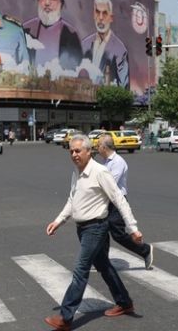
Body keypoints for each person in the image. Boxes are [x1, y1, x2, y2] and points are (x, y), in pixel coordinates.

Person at [44, 134, 142, 331]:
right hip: (82, 229)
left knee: (80, 269)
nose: (74, 154)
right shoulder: (76, 173)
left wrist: (132, 228)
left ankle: (66, 317)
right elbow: (73, 200)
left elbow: (119, 199)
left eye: (78, 150)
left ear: (89, 152)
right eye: (71, 151)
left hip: (96, 228)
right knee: (104, 266)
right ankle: (124, 302)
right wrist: (58, 220)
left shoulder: (100, 172)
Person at [97, 134, 153, 269]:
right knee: (102, 229)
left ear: (104, 147)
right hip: (107, 201)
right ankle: (102, 261)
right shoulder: (105, 162)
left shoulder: (118, 162)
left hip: (118, 202)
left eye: (98, 145)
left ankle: (145, 250)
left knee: (118, 233)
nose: (96, 148)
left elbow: (110, 184)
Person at [23, 0, 82, 71]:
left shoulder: (70, 35)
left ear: (61, 3)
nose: (47, 3)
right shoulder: (26, 30)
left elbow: (75, 69)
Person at [81, 0, 129, 88]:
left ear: (111, 18)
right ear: (93, 15)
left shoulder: (120, 50)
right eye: (97, 12)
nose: (101, 18)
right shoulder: (84, 44)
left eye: (105, 13)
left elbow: (124, 88)